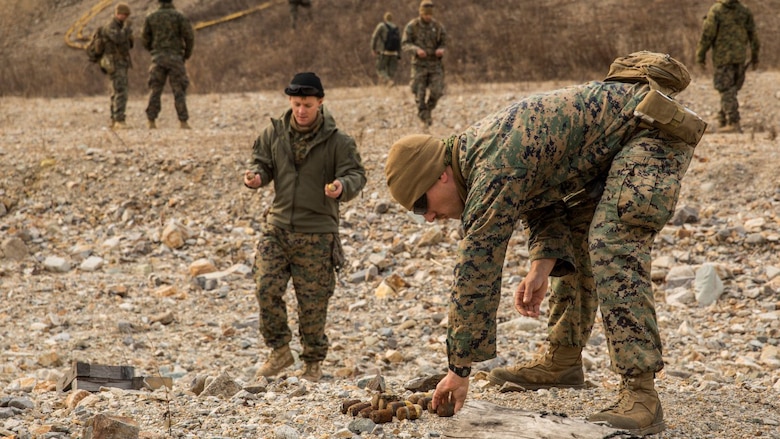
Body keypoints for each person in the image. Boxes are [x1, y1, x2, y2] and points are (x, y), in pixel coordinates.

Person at [384, 60, 703, 435]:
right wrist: (541, 263)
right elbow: (544, 196)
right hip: (614, 146)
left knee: (611, 243)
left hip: (652, 133)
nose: (429, 218)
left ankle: (642, 395)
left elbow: (477, 268)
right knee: (581, 237)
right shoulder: (478, 158)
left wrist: (459, 370)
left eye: (423, 204)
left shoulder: (492, 165)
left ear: (440, 174)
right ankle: (564, 358)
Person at [243, 72, 366, 382]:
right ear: (290, 102)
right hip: (278, 227)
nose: (301, 111)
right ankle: (280, 350)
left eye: (307, 105)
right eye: (296, 104)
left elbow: (356, 175)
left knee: (313, 303)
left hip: (318, 232)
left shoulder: (339, 141)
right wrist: (256, 177)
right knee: (265, 288)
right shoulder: (273, 134)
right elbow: (261, 163)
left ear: (320, 103)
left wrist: (341, 187)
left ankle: (312, 362)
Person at [695, 0, 759, 134]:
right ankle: (722, 119)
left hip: (722, 58)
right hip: (739, 57)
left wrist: (700, 55)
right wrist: (755, 56)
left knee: (725, 88)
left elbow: (707, 35)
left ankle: (733, 122)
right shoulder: (744, 10)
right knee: (731, 89)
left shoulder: (716, 10)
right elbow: (753, 35)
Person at [141, 0, 195, 129]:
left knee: (155, 89)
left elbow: (144, 38)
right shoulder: (179, 16)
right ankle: (183, 122)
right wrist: (186, 54)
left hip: (158, 58)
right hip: (176, 58)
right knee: (179, 90)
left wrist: (153, 51)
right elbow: (189, 37)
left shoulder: (151, 17)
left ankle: (151, 121)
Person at [402, 0, 446, 128]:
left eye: (430, 15)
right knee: (419, 93)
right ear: (421, 14)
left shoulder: (437, 27)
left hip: (435, 64)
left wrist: (441, 49)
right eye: (426, 15)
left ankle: (427, 111)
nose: (428, 17)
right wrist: (416, 50)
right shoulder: (412, 26)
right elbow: (405, 44)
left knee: (437, 91)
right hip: (419, 65)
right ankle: (425, 117)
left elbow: (444, 42)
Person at [100, 2, 134, 130]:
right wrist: (127, 29)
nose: (125, 17)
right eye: (123, 14)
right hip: (114, 62)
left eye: (126, 15)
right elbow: (118, 39)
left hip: (121, 62)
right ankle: (119, 120)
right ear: (117, 14)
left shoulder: (120, 26)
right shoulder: (111, 26)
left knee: (117, 90)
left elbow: (129, 44)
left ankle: (115, 119)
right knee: (120, 91)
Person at [370, 12, 401, 87]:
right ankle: (388, 89)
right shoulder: (395, 27)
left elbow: (374, 37)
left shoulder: (381, 26)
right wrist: (399, 54)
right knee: (390, 72)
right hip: (394, 53)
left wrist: (373, 48)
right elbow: (399, 41)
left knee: (380, 69)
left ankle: (388, 81)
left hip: (384, 52)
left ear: (385, 18)